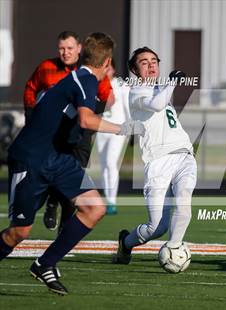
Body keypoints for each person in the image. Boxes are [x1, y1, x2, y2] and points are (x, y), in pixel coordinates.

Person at [0, 33, 141, 295]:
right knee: (19, 232)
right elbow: (87, 120)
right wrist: (124, 128)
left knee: (94, 208)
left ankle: (45, 264)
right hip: (32, 159)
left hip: (58, 158)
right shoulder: (85, 79)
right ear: (107, 61)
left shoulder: (78, 79)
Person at [23, 31, 114, 231]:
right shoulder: (47, 67)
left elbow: (107, 96)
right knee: (48, 177)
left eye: (70, 48)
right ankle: (47, 205)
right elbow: (30, 90)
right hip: (54, 135)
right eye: (62, 48)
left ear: (79, 49)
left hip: (80, 132)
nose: (65, 52)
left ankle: (65, 221)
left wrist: (91, 113)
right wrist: (32, 118)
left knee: (75, 177)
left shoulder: (88, 73)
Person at [113, 47, 197, 264]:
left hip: (184, 154)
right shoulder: (136, 92)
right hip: (158, 162)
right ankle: (126, 243)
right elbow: (157, 105)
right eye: (144, 62)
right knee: (156, 227)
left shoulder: (161, 88)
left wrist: (168, 84)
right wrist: (172, 82)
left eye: (154, 61)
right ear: (134, 69)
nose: (151, 65)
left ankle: (174, 249)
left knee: (183, 202)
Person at [95, 60, 130, 215]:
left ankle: (112, 201)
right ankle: (107, 199)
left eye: (108, 66)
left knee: (111, 162)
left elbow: (127, 108)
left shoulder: (121, 85)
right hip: (101, 129)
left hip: (118, 129)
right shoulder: (96, 84)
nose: (106, 70)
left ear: (114, 68)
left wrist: (131, 127)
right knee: (103, 166)